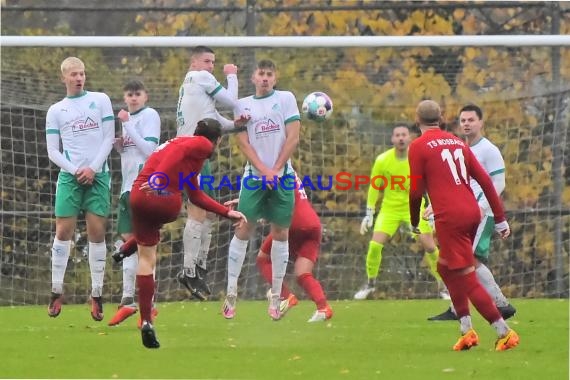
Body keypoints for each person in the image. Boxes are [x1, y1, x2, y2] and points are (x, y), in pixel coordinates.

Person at [113, 118, 247, 348]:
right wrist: (160, 179)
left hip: (139, 195)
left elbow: (196, 195)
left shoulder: (184, 154)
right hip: (164, 198)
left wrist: (227, 212)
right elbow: (182, 155)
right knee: (165, 224)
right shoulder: (201, 144)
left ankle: (146, 320)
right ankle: (145, 316)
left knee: (146, 256)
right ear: (218, 139)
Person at [409, 100, 519, 351]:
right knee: (446, 268)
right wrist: (500, 218)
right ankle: (466, 330)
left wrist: (415, 220)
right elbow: (487, 182)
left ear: (417, 120)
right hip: (472, 211)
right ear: (442, 117)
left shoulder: (418, 146)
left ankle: (504, 332)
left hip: (450, 218)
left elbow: (415, 191)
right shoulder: (458, 142)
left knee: (466, 275)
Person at [223, 59, 301, 321]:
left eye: (270, 74)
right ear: (253, 78)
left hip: (283, 176)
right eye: (261, 74)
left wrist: (276, 169)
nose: (265, 78)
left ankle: (277, 296)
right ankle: (231, 293)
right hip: (254, 178)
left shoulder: (286, 98)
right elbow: (243, 143)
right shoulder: (242, 105)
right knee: (244, 228)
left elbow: (293, 137)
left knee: (280, 232)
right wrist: (264, 171)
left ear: (275, 78)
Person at [427, 104, 516, 321]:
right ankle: (499, 305)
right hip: (464, 212)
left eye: (471, 120)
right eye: (463, 120)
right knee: (465, 258)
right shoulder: (460, 148)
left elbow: (499, 183)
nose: (466, 124)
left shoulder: (489, 150)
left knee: (465, 259)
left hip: (481, 213)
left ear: (481, 123)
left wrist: (483, 207)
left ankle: (475, 308)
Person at [45, 57, 114, 321]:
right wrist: (76, 170)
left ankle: (96, 294)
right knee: (63, 232)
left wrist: (93, 168)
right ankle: (56, 289)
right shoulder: (56, 110)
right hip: (70, 177)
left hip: (98, 176)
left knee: (97, 233)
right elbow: (53, 150)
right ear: (63, 78)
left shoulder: (101, 99)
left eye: (82, 73)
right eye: (73, 74)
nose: (79, 78)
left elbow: (109, 137)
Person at [175, 45, 245, 300]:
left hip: (195, 153)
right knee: (198, 211)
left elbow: (218, 121)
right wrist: (232, 75)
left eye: (214, 63)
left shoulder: (193, 88)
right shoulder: (200, 77)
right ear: (194, 63)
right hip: (191, 153)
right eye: (207, 61)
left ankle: (199, 268)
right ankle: (188, 270)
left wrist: (237, 126)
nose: (211, 67)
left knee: (209, 213)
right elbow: (232, 101)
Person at [354, 125, 447, 300]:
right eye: (397, 135)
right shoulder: (382, 160)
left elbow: (432, 182)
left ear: (409, 138)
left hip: (415, 207)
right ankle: (370, 283)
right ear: (392, 139)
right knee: (375, 245)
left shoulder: (418, 158)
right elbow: (375, 186)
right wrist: (369, 212)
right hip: (389, 209)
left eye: (404, 135)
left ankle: (444, 286)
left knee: (429, 246)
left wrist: (433, 207)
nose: (401, 138)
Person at [227, 173, 333, 322]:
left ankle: (285, 296)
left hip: (292, 222)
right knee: (303, 273)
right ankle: (323, 308)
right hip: (313, 224)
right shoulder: (289, 171)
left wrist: (246, 208)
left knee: (263, 258)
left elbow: (266, 197)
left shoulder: (276, 169)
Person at [107, 80, 161, 326]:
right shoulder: (126, 118)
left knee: (143, 246)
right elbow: (131, 151)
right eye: (129, 94)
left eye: (137, 93)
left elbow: (150, 150)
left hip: (144, 187)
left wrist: (128, 124)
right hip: (126, 188)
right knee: (128, 242)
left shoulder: (150, 116)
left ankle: (147, 306)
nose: (133, 97)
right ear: (125, 97)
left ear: (145, 96)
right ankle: (128, 301)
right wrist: (119, 146)